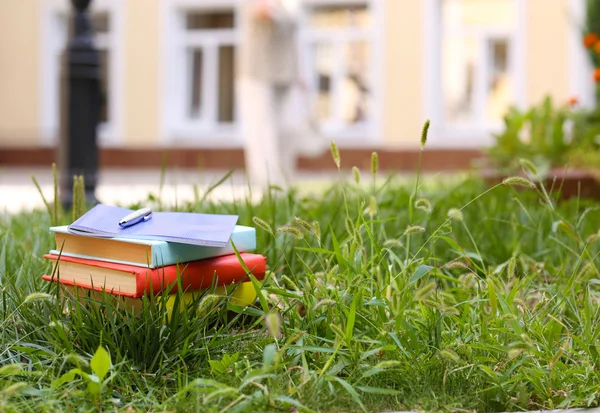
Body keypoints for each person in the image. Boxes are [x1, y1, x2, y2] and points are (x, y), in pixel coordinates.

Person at [237, 0, 325, 189]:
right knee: (262, 132)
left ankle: (284, 184)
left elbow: (295, 35)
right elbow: (263, 12)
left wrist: (301, 75)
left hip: (287, 74)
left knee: (288, 129)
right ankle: (266, 187)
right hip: (258, 74)